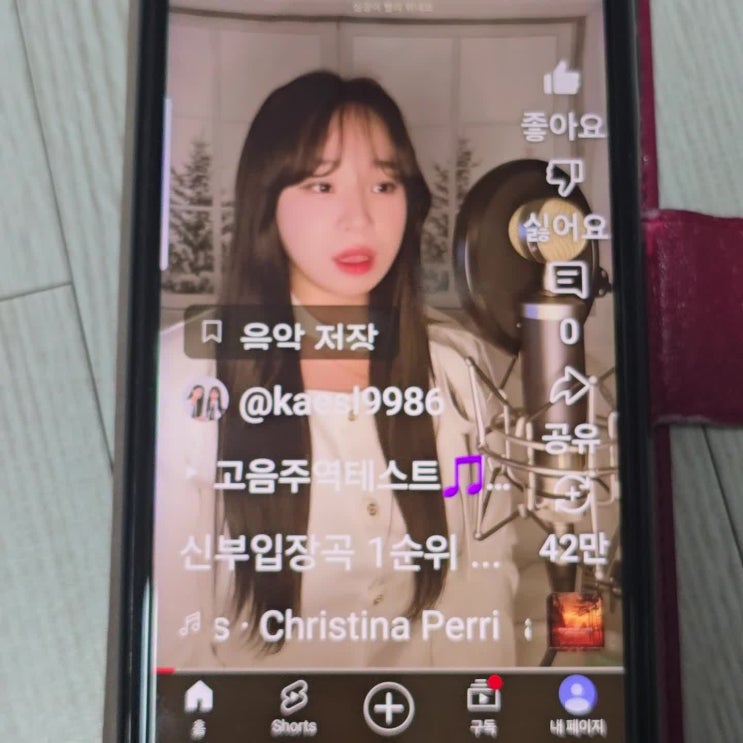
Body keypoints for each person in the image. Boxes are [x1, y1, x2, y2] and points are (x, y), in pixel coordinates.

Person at [155, 71, 517, 670]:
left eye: (384, 184)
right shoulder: (182, 377)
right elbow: (172, 641)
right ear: (267, 201)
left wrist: (471, 712)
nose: (359, 219)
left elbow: (479, 579)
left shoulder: (456, 371)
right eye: (322, 185)